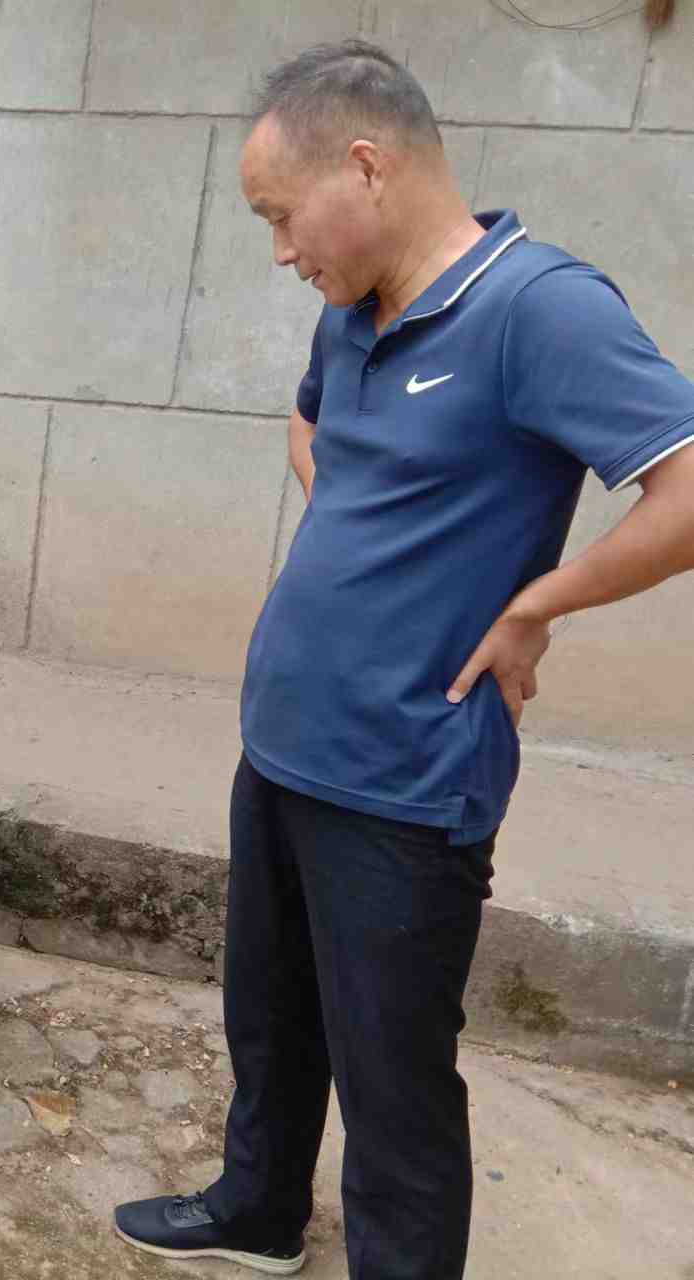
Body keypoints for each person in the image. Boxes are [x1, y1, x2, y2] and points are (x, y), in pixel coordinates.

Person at [112, 40, 694, 1279]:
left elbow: (685, 487)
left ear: (366, 166)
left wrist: (536, 602)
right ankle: (259, 1209)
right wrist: (360, 542)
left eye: (281, 216)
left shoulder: (536, 308)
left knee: (392, 1077)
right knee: (270, 1017)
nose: (280, 252)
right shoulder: (350, 309)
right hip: (282, 742)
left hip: (403, 775)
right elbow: (307, 424)